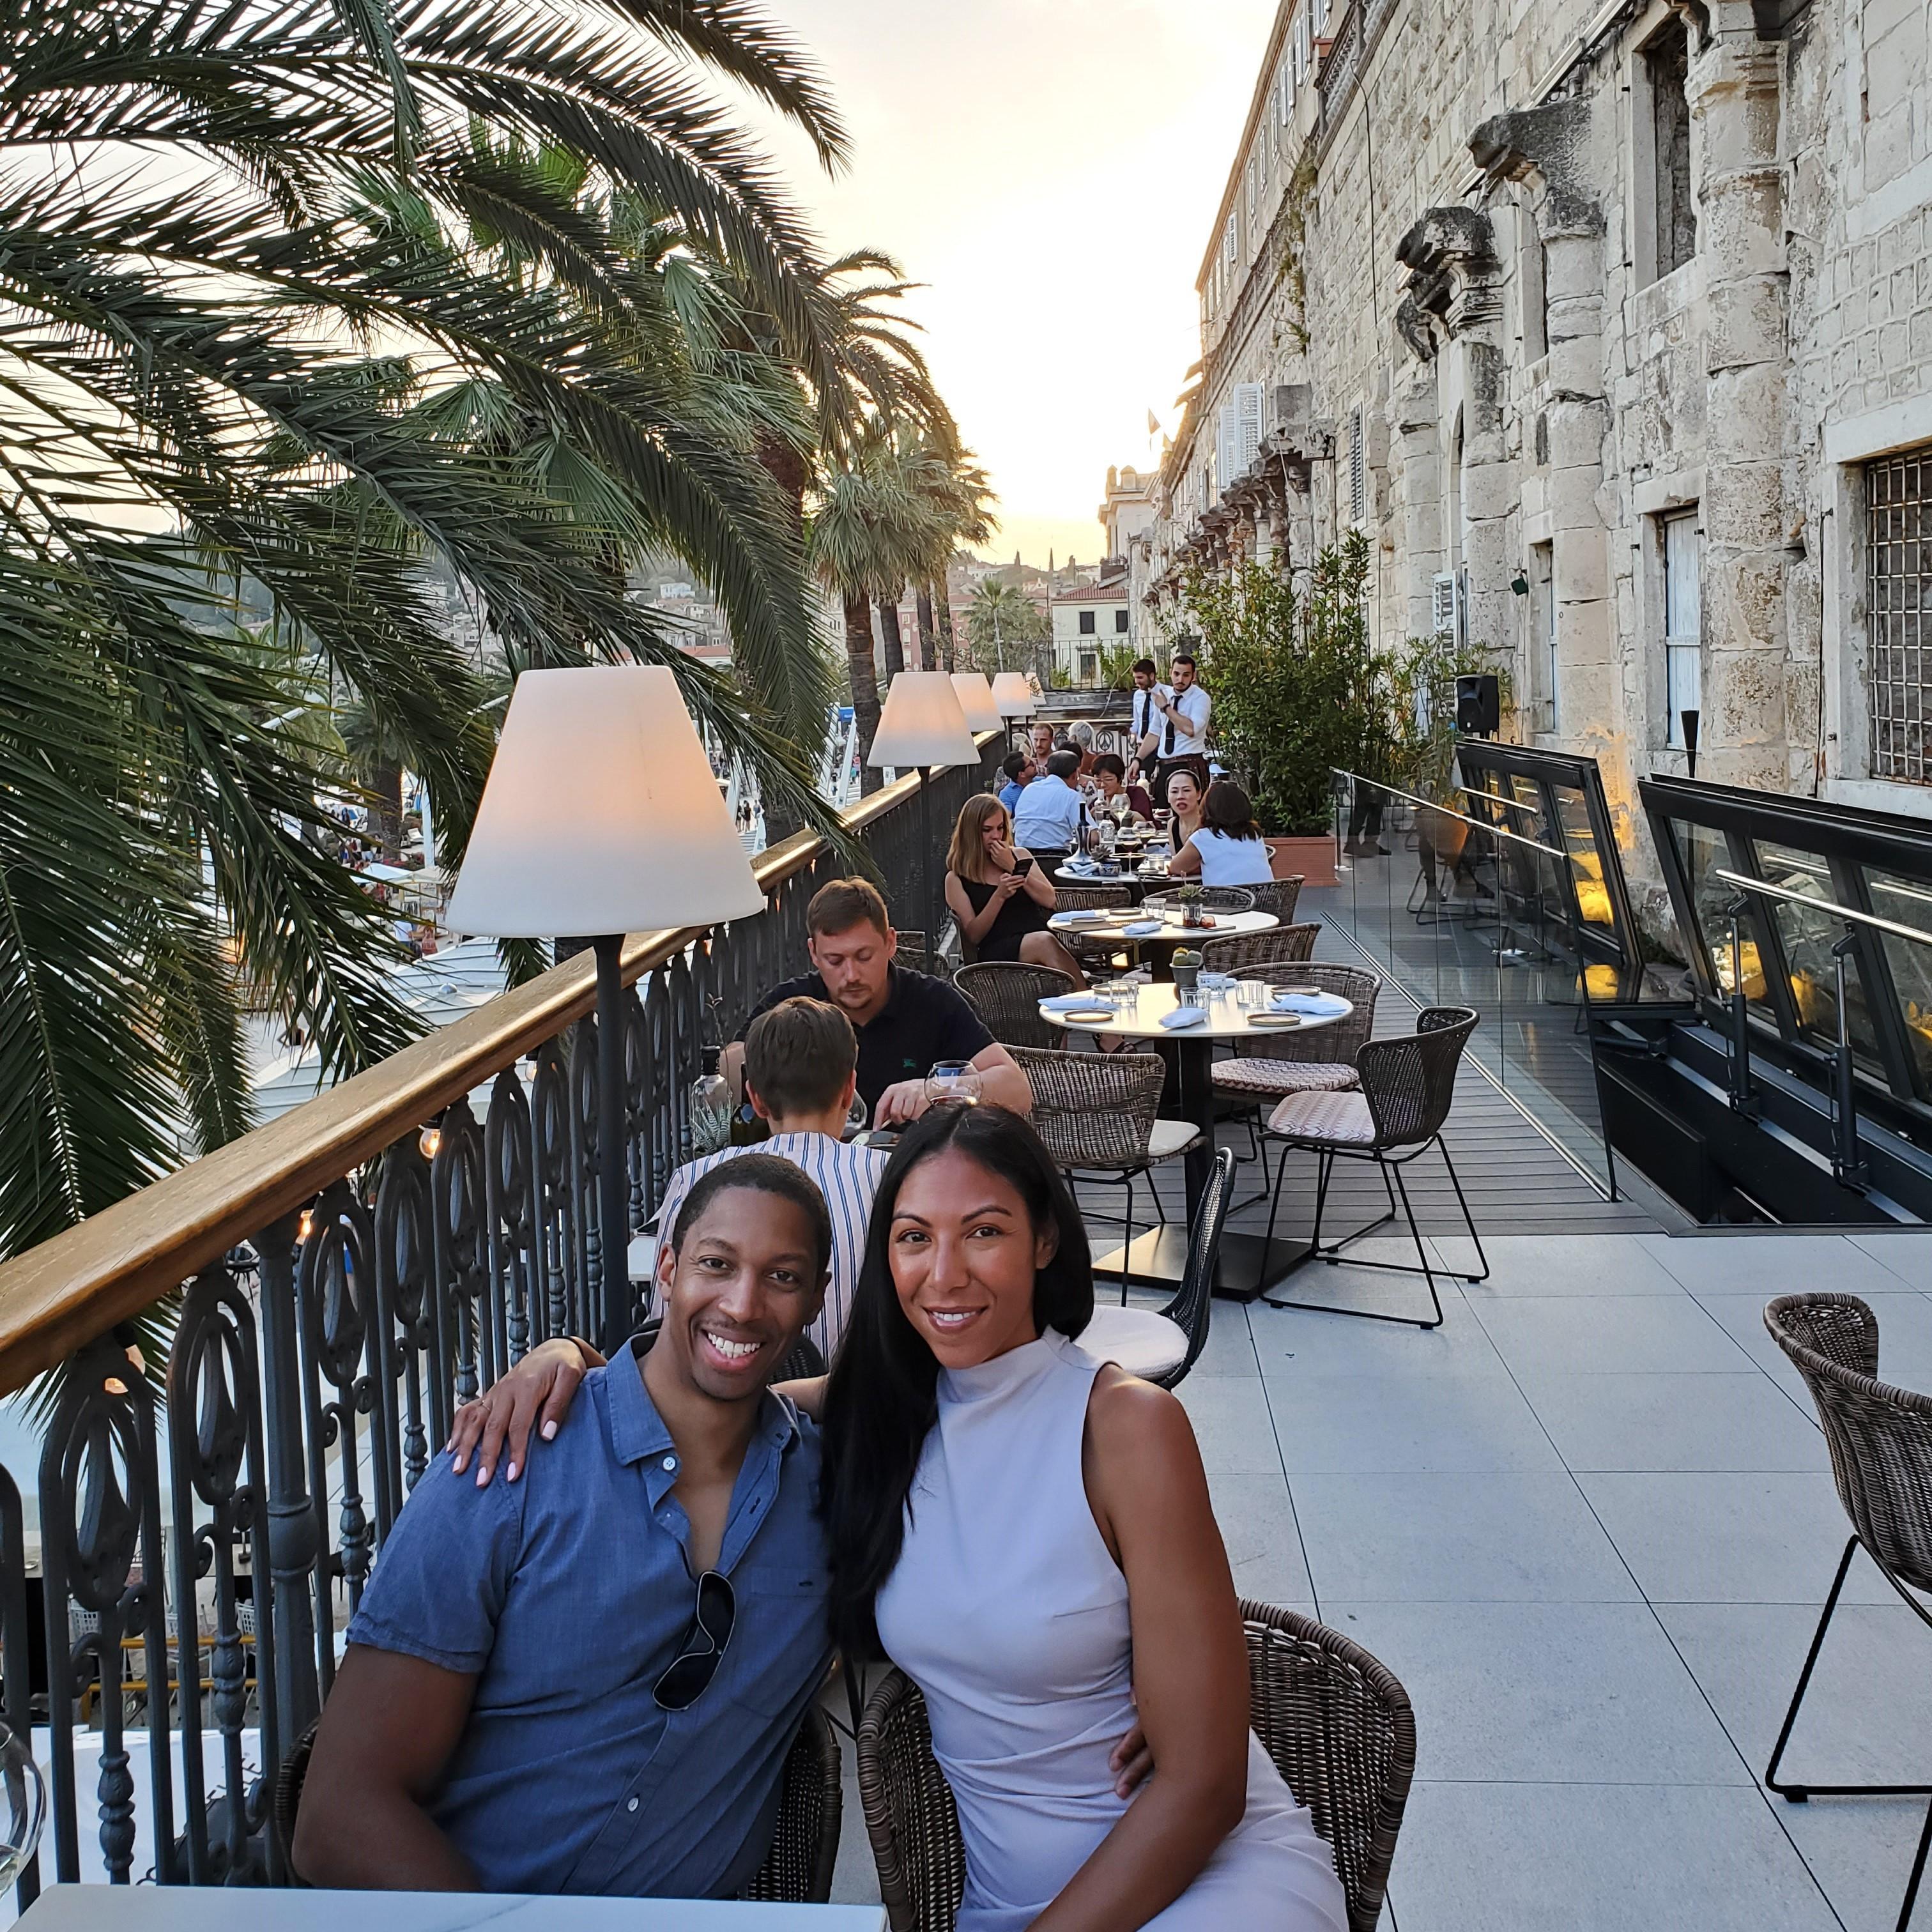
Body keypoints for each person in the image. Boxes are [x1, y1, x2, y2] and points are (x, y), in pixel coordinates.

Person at [451, 1107, 1348, 1932]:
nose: (944, 1274)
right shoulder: (881, 1412)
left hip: (1203, 1886)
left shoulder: (1125, 1428)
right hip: (1008, 1903)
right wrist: (565, 1359)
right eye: (915, 1237)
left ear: (1044, 1239)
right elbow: (695, 1402)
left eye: (984, 1232)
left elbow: (1204, 1788)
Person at [293, 1158, 839, 1899]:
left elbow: (909, 1393)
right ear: (667, 1269)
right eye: (717, 1264)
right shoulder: (507, 1461)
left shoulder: (826, 1492)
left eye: (782, 1276)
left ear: (816, 1298)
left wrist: (568, 1350)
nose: (743, 1304)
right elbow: (336, 1818)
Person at [654, 999, 886, 1360]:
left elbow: (662, 1323)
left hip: (728, 1379)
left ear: (756, 1100)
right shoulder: (890, 1174)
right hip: (861, 1393)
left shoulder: (695, 1178)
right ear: (849, 1089)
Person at [735, 878, 1032, 1126]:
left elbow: (1017, 1089)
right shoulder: (792, 1005)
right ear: (813, 953)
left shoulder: (932, 1001)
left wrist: (935, 1090)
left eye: (864, 957)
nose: (851, 975)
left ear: (890, 943)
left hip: (917, 1167)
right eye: (835, 960)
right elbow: (731, 1067)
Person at [945, 794, 1085, 983]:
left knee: (1045, 942)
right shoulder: (957, 877)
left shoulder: (1020, 855)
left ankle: (1078, 994)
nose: (996, 836)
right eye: (987, 830)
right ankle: (1084, 993)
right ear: (972, 833)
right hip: (998, 949)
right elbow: (973, 935)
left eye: (1000, 828)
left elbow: (1050, 899)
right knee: (1044, 941)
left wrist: (1013, 866)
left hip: (1038, 936)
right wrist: (999, 897)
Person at [1166, 780, 1276, 887]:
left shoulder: (1203, 837)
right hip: (1267, 897)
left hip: (1227, 898)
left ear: (1208, 808)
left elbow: (1175, 868)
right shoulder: (1255, 834)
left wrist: (1199, 867)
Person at [1135, 654, 1211, 807]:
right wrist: (1138, 759)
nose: (1180, 679)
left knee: (1191, 811)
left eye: (1186, 675)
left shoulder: (1200, 698)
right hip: (1165, 765)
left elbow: (1190, 729)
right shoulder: (1164, 695)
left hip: (1190, 763)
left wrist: (1166, 708)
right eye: (1176, 674)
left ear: (1194, 676)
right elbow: (1155, 732)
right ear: (1171, 672)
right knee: (1161, 811)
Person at [1011, 748, 1086, 868]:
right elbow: (1092, 837)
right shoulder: (1071, 796)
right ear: (1076, 774)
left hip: (1023, 863)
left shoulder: (1029, 789)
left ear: (1047, 772)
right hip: (1057, 863)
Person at [1123, 659, 1161, 789]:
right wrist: (1131, 732)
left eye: (1140, 678)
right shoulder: (1138, 695)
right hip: (1141, 747)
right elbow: (1137, 720)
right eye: (1135, 678)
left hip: (1159, 746)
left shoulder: (1164, 693)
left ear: (1152, 676)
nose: (1136, 682)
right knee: (1142, 785)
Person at [1091, 753, 1154, 821]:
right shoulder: (1097, 803)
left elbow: (1143, 820)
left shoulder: (1136, 793)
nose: (1102, 785)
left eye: (1108, 779)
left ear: (1121, 777)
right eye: (1098, 780)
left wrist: (1111, 811)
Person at [1162, 765, 1206, 848]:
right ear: (1168, 797)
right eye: (1174, 791)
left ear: (1199, 794)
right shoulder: (1172, 825)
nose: (1180, 797)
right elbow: (1175, 856)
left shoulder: (1208, 824)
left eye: (1186, 790)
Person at [996, 748, 1034, 816]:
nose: (1035, 762)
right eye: (1031, 764)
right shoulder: (1006, 794)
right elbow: (1005, 818)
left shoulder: (1043, 782)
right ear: (1021, 774)